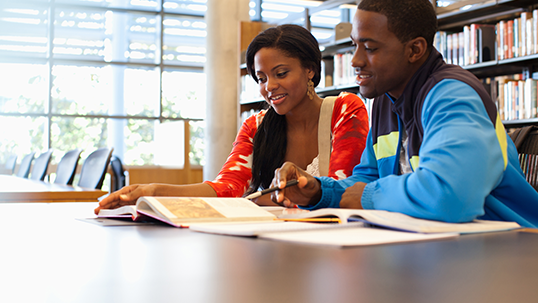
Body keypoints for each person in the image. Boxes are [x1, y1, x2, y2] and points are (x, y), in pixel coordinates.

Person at [270, 0, 538, 227]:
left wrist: (367, 197)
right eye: (355, 46)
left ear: (415, 50)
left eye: (370, 48)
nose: (355, 60)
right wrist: (318, 191)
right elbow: (367, 179)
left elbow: (449, 196)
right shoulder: (386, 100)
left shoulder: (452, 95)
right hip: (438, 249)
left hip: (510, 250)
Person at [95, 24, 369, 214]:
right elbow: (227, 187)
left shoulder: (345, 109)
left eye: (281, 73)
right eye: (261, 79)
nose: (269, 87)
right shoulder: (256, 126)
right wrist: (153, 191)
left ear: (310, 69)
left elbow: (340, 190)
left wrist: (260, 202)